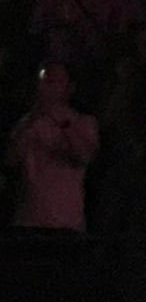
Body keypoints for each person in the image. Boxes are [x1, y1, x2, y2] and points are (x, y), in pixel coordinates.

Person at [4, 60, 100, 232]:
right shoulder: (27, 123)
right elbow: (10, 161)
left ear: (70, 87)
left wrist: (59, 121)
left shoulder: (83, 123)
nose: (48, 86)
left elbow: (83, 156)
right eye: (46, 80)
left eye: (56, 80)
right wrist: (31, 124)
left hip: (67, 222)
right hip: (29, 221)